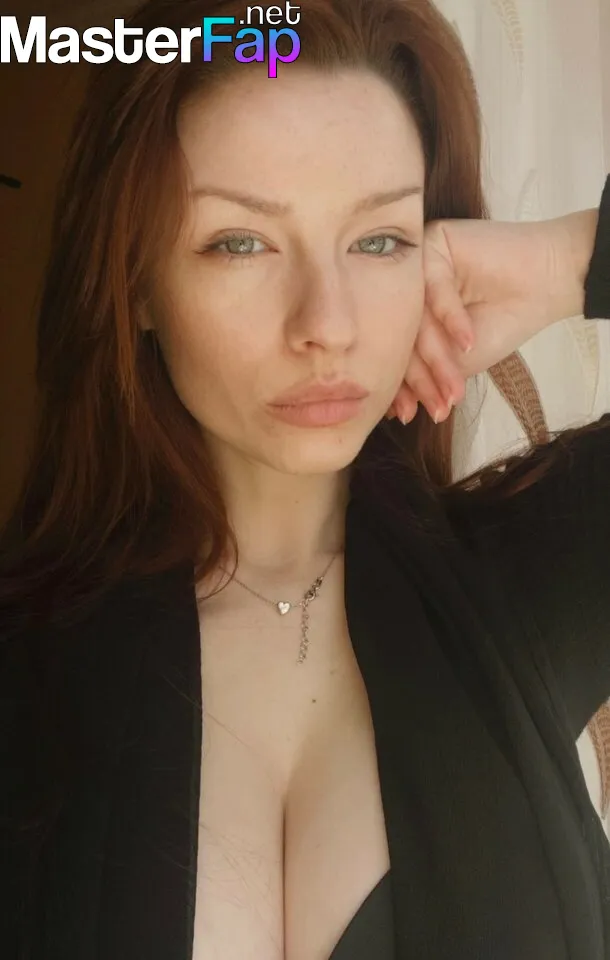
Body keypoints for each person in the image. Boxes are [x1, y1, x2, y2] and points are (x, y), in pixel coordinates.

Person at [1, 0, 609, 957]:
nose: (326, 323)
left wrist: (567, 260)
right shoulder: (27, 663)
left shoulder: (526, 580)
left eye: (379, 240)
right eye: (240, 241)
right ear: (136, 284)